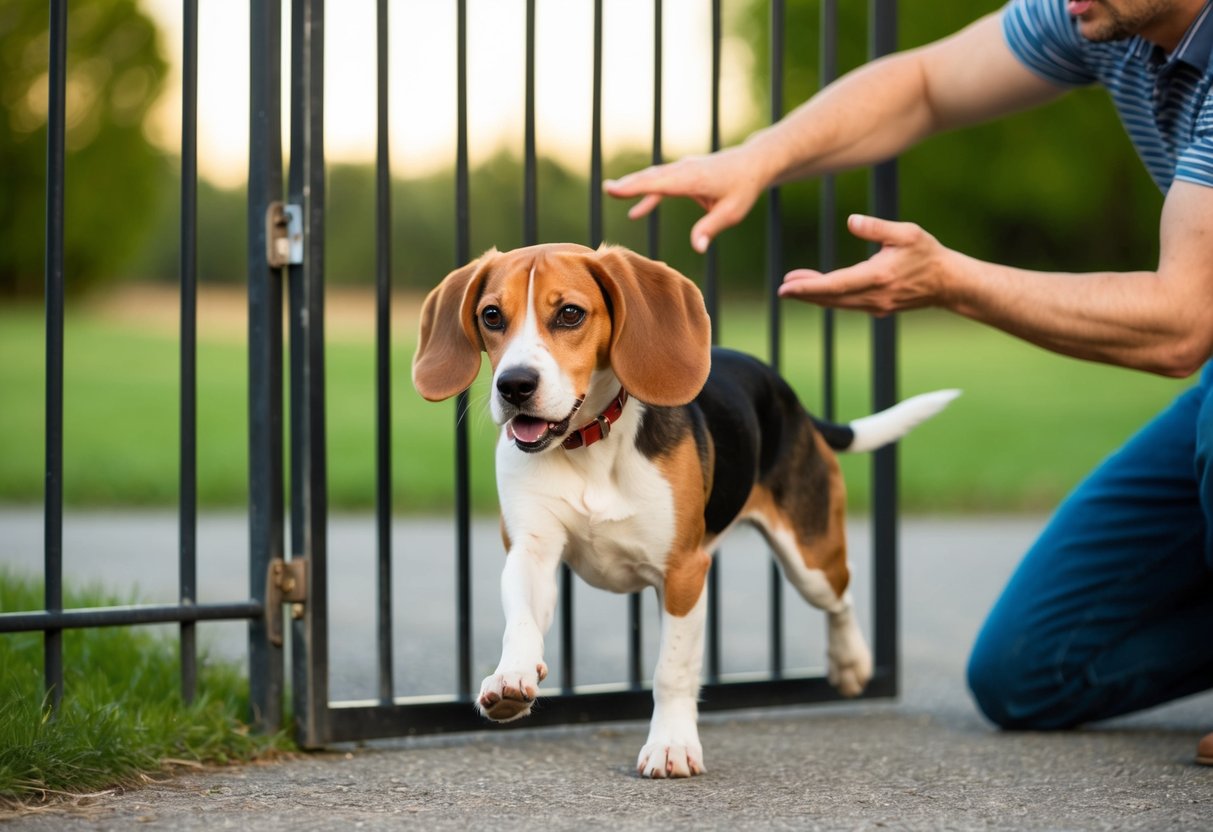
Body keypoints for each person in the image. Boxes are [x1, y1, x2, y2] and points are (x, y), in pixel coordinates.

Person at [605, 0, 1213, 765]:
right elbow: (924, 83)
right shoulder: (1099, 17)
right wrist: (756, 158)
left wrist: (952, 282)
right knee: (1027, 673)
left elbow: (1183, 322)